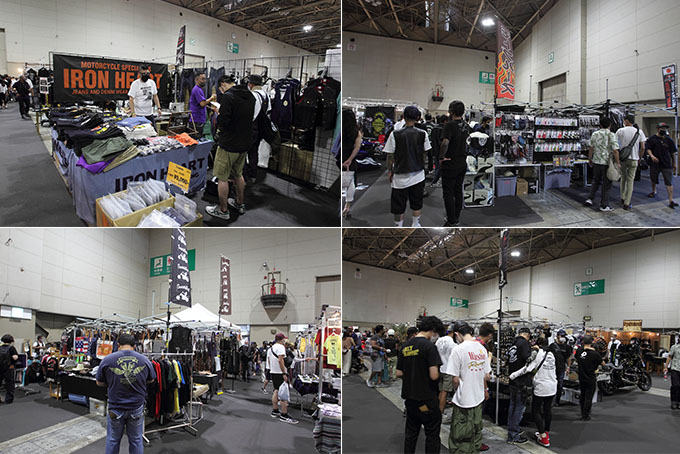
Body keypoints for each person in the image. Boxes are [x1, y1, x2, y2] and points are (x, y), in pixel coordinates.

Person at [96, 333, 156, 454]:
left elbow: (99, 382)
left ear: (118, 345)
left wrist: (112, 382)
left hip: (115, 407)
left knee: (113, 440)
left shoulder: (107, 359)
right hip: (136, 407)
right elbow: (151, 379)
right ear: (134, 346)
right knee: (136, 440)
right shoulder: (144, 360)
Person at [206, 74, 255, 221]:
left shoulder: (228, 97)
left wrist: (218, 113)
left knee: (222, 178)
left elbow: (223, 122)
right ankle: (239, 203)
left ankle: (223, 210)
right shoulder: (250, 96)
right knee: (238, 175)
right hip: (244, 142)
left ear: (223, 84)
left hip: (228, 144)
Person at [397, 316, 444, 454]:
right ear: (433, 330)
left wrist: (412, 375)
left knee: (411, 433)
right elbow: (434, 375)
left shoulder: (405, 346)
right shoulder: (429, 347)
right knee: (432, 434)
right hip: (426, 398)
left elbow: (399, 373)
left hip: (410, 398)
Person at [446, 321, 491, 454]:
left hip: (463, 400)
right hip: (478, 398)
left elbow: (455, 379)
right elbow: (486, 375)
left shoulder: (458, 349)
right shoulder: (482, 348)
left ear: (457, 334)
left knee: (459, 436)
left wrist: (456, 388)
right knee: (476, 432)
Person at [384, 106, 431, 227]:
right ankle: (415, 224)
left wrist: (390, 170)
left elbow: (390, 155)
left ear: (403, 117)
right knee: (417, 203)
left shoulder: (395, 134)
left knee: (398, 206)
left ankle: (398, 226)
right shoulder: (423, 134)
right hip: (418, 175)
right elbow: (425, 153)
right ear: (418, 118)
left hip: (399, 177)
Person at [510, 337, 556, 448]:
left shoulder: (539, 354)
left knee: (536, 411)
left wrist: (513, 375)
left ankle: (543, 437)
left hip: (541, 387)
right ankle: (546, 432)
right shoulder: (551, 355)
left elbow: (528, 368)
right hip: (552, 386)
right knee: (547, 410)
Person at [439, 101, 470, 227]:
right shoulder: (466, 125)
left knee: (448, 193)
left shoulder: (449, 125)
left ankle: (451, 220)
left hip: (450, 162)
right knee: (458, 191)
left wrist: (441, 156)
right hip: (462, 162)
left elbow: (445, 142)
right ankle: (456, 217)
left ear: (451, 111)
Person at [585, 116, 620, 212]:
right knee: (606, 184)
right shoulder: (612, 135)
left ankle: (590, 198)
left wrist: (590, 158)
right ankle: (604, 205)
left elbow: (591, 147)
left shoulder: (595, 134)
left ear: (600, 125)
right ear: (610, 125)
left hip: (596, 161)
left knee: (595, 180)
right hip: (607, 162)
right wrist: (618, 162)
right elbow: (615, 150)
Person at [506, 327, 532, 444]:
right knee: (519, 408)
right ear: (528, 335)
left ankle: (512, 430)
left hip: (512, 380)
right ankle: (513, 435)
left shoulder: (513, 344)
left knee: (512, 406)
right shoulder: (524, 343)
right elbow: (528, 359)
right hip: (521, 381)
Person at [615, 115, 647, 210]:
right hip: (634, 159)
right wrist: (639, 157)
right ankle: (627, 203)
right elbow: (643, 147)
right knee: (630, 181)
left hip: (623, 158)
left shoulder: (620, 131)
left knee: (623, 178)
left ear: (626, 121)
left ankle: (622, 197)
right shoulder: (639, 132)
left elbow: (615, 145)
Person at [645, 122, 678, 208]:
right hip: (655, 164)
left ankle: (671, 200)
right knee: (653, 179)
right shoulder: (652, 139)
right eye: (662, 128)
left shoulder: (669, 140)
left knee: (669, 182)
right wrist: (652, 156)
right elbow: (648, 148)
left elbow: (673, 153)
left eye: (665, 128)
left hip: (666, 164)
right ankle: (654, 191)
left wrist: (674, 164)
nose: (664, 130)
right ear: (658, 129)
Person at [245, 74, 270, 183]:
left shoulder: (253, 95)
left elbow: (250, 114)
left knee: (244, 152)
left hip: (251, 128)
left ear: (251, 84)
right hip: (261, 128)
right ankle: (253, 174)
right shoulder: (266, 95)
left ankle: (245, 176)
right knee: (254, 151)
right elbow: (268, 111)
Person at [574, 335, 605, 421]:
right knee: (588, 397)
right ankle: (585, 415)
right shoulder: (595, 354)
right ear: (592, 342)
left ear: (583, 342)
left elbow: (576, 359)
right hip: (590, 377)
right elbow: (603, 364)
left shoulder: (579, 350)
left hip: (581, 377)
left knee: (583, 395)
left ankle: (582, 412)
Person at [269, 333, 298, 423]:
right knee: (284, 393)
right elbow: (280, 360)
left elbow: (269, 360)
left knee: (276, 390)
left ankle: (275, 410)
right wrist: (284, 372)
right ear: (282, 339)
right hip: (280, 373)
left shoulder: (271, 348)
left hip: (273, 372)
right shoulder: (281, 347)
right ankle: (284, 414)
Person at [342, 108, 363, 218]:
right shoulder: (356, 132)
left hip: (340, 157)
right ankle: (347, 207)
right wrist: (350, 159)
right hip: (349, 160)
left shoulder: (341, 130)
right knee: (350, 183)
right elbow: (357, 147)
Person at [127, 65, 162, 129]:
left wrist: (159, 108)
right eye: (143, 73)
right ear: (139, 74)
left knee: (154, 132)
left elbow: (155, 96)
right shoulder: (135, 84)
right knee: (140, 132)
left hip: (149, 114)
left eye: (147, 73)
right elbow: (131, 99)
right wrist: (133, 113)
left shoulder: (152, 83)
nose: (146, 75)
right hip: (139, 114)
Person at [435, 325, 455, 415]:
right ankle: (440, 413)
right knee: (444, 392)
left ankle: (437, 410)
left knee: (440, 391)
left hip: (440, 368)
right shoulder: (452, 343)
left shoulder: (439, 340)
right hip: (448, 370)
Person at [549, 329, 572, 406]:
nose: (563, 337)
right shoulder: (552, 346)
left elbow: (568, 357)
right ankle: (550, 401)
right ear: (557, 336)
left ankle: (557, 401)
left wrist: (568, 367)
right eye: (562, 336)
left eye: (564, 336)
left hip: (561, 368)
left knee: (560, 385)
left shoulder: (566, 347)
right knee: (551, 385)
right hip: (552, 369)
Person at [428, 115, 449, 189]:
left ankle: (436, 180)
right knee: (439, 167)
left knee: (437, 166)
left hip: (434, 149)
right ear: (445, 121)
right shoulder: (444, 129)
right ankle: (434, 181)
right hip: (440, 151)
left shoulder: (434, 128)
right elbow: (442, 142)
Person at [0, 334, 19, 404]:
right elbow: (15, 357)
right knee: (9, 384)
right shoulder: (11, 348)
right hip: (9, 368)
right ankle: (8, 400)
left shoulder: (0, 347)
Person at [663, 341, 680, 409]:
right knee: (675, 385)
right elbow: (669, 357)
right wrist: (666, 367)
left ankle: (679, 402)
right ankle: (674, 401)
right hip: (675, 369)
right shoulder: (674, 347)